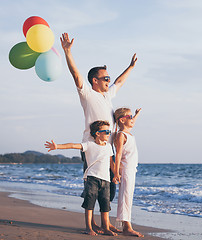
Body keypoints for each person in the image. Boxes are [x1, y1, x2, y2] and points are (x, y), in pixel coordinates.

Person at [60, 33, 137, 232]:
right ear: (95, 80)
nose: (109, 81)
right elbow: (76, 75)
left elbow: (119, 82)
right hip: (92, 147)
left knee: (108, 186)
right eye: (105, 78)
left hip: (108, 148)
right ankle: (92, 222)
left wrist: (130, 67)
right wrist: (68, 52)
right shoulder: (87, 94)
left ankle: (106, 221)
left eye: (108, 78)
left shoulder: (107, 95)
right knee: (93, 187)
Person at [44, 121, 117, 236]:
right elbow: (73, 145)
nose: (109, 134)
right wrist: (57, 146)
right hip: (92, 178)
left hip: (106, 180)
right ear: (98, 133)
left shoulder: (108, 147)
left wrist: (116, 174)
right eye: (106, 131)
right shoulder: (89, 145)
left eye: (109, 131)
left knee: (105, 204)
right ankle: (89, 227)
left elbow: (111, 163)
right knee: (89, 203)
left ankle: (106, 227)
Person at [113, 107, 144, 237]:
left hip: (131, 169)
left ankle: (126, 225)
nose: (132, 120)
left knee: (128, 197)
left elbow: (131, 123)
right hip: (125, 170)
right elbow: (118, 154)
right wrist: (116, 173)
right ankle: (127, 226)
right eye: (129, 117)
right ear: (122, 120)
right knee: (125, 197)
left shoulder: (128, 132)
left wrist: (136, 115)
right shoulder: (121, 135)